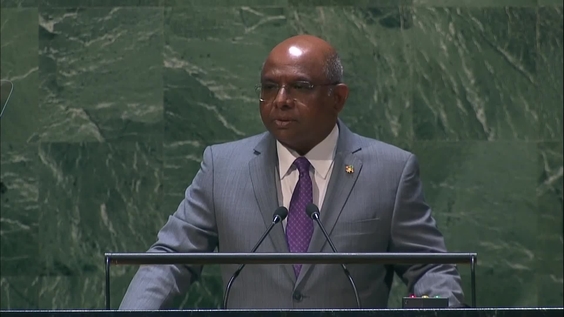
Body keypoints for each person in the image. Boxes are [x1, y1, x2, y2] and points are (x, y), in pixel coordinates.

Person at [120, 35, 465, 309]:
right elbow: (171, 259)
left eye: (300, 87)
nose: (280, 99)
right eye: (270, 87)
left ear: (338, 98)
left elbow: (430, 267)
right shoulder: (222, 168)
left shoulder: (390, 171)